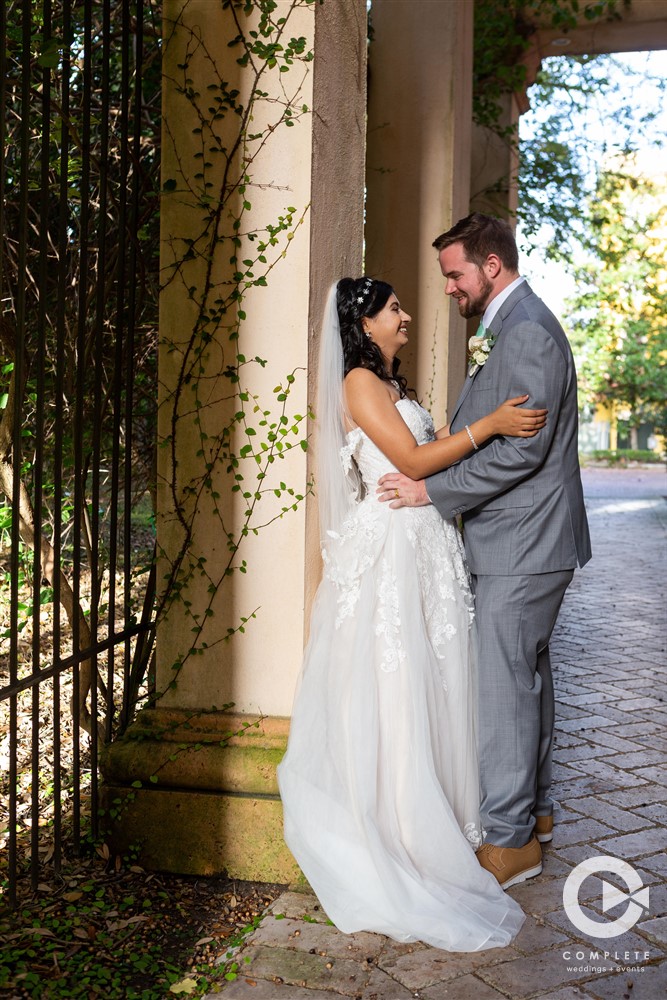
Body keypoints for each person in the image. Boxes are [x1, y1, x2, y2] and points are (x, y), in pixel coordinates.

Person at [277, 276, 547, 951]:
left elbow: (430, 452)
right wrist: (488, 427)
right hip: (392, 548)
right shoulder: (359, 387)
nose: (404, 315)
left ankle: (451, 822)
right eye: (393, 308)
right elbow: (411, 460)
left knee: (440, 679)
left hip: (424, 543)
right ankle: (401, 830)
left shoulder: (393, 387)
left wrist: (473, 423)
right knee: (398, 686)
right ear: (365, 323)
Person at [378, 213, 592, 890]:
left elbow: (522, 451)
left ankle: (507, 843)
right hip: (525, 540)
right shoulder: (510, 326)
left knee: (502, 689)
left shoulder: (524, 330)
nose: (447, 288)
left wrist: (431, 493)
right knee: (526, 680)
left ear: (489, 266)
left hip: (522, 541)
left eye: (453, 274)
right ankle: (536, 816)